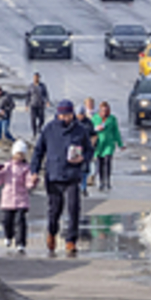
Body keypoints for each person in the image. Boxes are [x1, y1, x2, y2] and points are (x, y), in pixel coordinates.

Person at [30, 99, 95, 257]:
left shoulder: (80, 130)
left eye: (68, 115)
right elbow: (38, 151)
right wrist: (34, 171)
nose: (65, 118)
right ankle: (52, 232)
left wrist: (83, 158)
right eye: (62, 115)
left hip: (73, 175)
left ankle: (71, 240)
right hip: (54, 175)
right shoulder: (49, 129)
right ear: (58, 115)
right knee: (55, 210)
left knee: (74, 209)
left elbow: (89, 150)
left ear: (72, 114)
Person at [0, 140, 36, 254]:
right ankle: (9, 236)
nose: (19, 157)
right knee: (6, 221)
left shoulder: (26, 168)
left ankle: (21, 243)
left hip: (21, 199)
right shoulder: (7, 166)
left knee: (20, 221)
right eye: (17, 154)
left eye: (22, 155)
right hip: (8, 199)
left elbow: (28, 183)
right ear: (13, 154)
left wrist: (33, 181)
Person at [92, 101, 124, 191]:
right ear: (99, 111)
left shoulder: (112, 119)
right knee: (100, 163)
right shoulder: (95, 118)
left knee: (108, 161)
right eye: (103, 111)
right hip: (99, 144)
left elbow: (116, 132)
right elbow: (90, 131)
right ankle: (101, 181)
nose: (104, 113)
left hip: (109, 144)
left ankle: (108, 181)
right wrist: (96, 128)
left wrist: (120, 144)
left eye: (106, 111)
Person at [75, 106, 97, 196]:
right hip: (75, 149)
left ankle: (83, 188)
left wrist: (92, 145)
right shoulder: (73, 123)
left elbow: (94, 135)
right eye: (79, 114)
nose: (80, 116)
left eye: (82, 114)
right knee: (76, 169)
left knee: (85, 169)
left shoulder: (88, 123)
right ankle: (76, 186)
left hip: (86, 149)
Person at [25, 72, 51, 137]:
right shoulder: (30, 86)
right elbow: (28, 96)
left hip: (41, 105)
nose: (36, 79)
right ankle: (34, 133)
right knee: (33, 120)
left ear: (39, 78)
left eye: (37, 77)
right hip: (33, 105)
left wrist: (47, 101)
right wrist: (26, 105)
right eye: (34, 77)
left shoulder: (42, 86)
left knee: (42, 119)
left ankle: (39, 128)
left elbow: (46, 94)